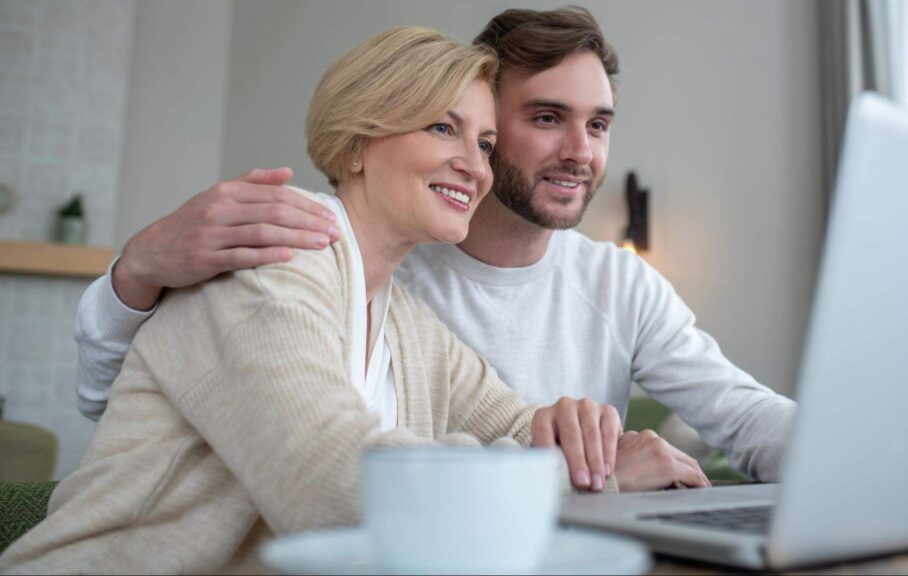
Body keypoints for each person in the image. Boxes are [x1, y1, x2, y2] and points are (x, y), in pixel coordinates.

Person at [0, 27, 633, 575]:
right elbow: (327, 480)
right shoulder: (272, 261)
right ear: (358, 142)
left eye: (487, 144)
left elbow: (516, 423)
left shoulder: (405, 319)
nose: (476, 167)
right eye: (444, 127)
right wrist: (573, 478)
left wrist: (589, 442)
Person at [76, 7, 795, 487]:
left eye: (600, 125)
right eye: (547, 118)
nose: (581, 151)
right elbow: (133, 398)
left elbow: (738, 413)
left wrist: (868, 460)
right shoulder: (312, 252)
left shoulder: (404, 310)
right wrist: (134, 273)